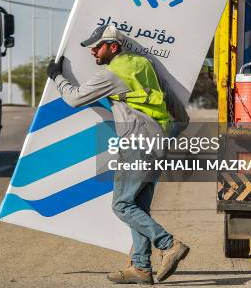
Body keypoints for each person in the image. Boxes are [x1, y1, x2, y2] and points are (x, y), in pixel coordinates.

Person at [46, 24, 190, 284]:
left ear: (113, 47)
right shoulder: (145, 65)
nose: (93, 52)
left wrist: (56, 76)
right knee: (139, 207)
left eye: (97, 46)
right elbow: (177, 109)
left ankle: (169, 245)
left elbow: (75, 98)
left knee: (122, 205)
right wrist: (166, 136)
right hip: (156, 144)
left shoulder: (112, 74)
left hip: (135, 144)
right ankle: (141, 268)